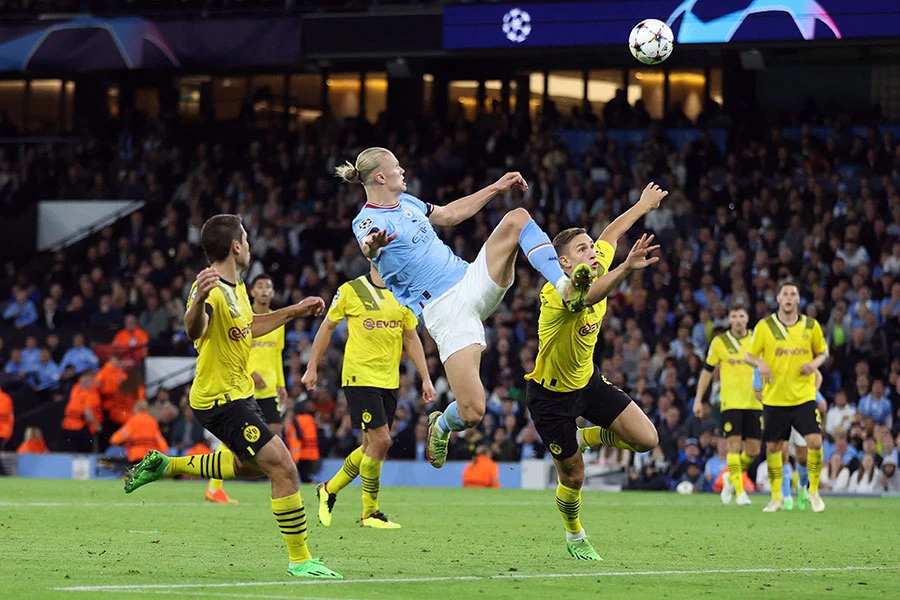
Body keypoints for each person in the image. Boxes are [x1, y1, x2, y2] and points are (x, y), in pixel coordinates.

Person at [338, 148, 594, 469]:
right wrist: (373, 245)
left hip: (470, 278)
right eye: (397, 167)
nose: (403, 171)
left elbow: (448, 215)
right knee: (473, 411)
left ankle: (564, 285)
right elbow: (367, 243)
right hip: (444, 310)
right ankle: (442, 425)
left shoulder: (409, 203)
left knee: (517, 218)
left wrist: (495, 188)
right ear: (380, 177)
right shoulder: (367, 220)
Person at [122, 214, 341, 579]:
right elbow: (197, 325)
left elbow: (250, 326)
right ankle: (301, 559)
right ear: (236, 246)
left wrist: (294, 311)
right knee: (284, 468)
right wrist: (197, 301)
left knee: (253, 467)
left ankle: (168, 465)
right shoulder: (209, 290)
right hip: (220, 400)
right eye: (247, 240)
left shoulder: (237, 287)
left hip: (240, 394)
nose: (250, 247)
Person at [524, 186, 665, 562]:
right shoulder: (557, 293)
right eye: (582, 249)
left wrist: (641, 206)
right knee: (573, 477)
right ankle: (575, 535)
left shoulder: (597, 261)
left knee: (647, 439)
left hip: (587, 381)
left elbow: (610, 235)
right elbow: (588, 297)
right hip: (550, 397)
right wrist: (626, 268)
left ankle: (585, 435)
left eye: (589, 246)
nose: (592, 250)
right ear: (564, 264)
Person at [302, 261, 435, 529]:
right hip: (359, 377)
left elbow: (410, 337)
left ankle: (329, 489)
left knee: (370, 447)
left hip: (389, 381)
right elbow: (327, 327)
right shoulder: (351, 290)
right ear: (373, 258)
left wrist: (426, 377)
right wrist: (312, 366)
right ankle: (369, 513)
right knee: (382, 441)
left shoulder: (402, 292)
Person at [746, 279, 828, 513]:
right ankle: (776, 498)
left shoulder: (810, 326)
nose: (790, 297)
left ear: (798, 299)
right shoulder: (765, 326)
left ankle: (813, 492)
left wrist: (814, 363)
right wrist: (760, 363)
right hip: (774, 399)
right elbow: (749, 356)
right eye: (785, 294)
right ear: (779, 299)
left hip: (803, 397)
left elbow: (823, 352)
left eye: (793, 293)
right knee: (773, 449)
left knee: (815, 442)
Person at [207, 273, 289, 505]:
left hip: (270, 390)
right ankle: (214, 488)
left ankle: (280, 486)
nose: (264, 290)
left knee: (275, 437)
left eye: (268, 287)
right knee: (235, 439)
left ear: (273, 293)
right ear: (252, 292)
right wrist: (248, 372)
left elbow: (277, 356)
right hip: (246, 388)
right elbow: (232, 353)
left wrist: (281, 384)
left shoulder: (277, 321)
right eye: (260, 286)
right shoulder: (243, 317)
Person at [694, 302, 759, 506]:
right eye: (734, 317)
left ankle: (730, 477)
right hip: (730, 403)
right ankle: (740, 492)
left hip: (756, 402)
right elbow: (707, 370)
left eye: (742, 316)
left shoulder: (757, 340)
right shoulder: (720, 342)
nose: (738, 320)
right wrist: (698, 398)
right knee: (733, 446)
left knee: (753, 451)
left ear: (747, 319)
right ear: (729, 319)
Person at [61, 369, 102, 453]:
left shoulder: (76, 388)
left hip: (67, 426)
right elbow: (88, 413)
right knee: (83, 454)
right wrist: (97, 426)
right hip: (79, 428)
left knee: (69, 453)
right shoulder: (90, 395)